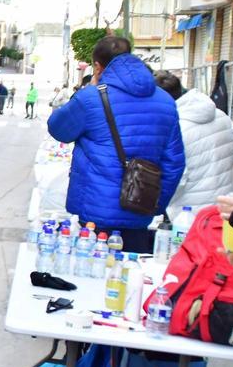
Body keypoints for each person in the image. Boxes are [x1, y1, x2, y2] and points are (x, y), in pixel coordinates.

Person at [47, 36, 184, 253]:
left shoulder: (91, 97)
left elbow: (58, 129)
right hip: (140, 209)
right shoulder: (166, 100)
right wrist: (156, 203)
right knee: (128, 279)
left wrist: (87, 88)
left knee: (91, 277)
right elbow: (175, 162)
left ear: (98, 67)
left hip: (94, 213)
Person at [155, 71, 233, 220]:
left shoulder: (176, 127)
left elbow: (178, 178)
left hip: (188, 213)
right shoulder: (221, 115)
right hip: (222, 207)